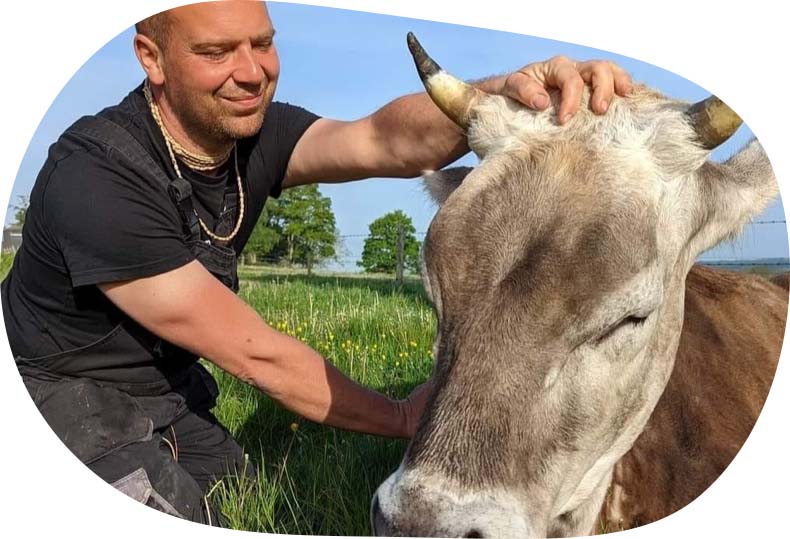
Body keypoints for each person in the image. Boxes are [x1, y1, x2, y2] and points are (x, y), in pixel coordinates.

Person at [1, 0, 632, 527]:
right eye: (216, 52)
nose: (251, 72)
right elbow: (257, 356)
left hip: (171, 393)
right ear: (151, 58)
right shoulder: (96, 175)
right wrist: (402, 418)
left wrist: (501, 98)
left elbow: (383, 140)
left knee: (244, 504)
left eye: (262, 44)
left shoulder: (249, 132)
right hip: (54, 398)